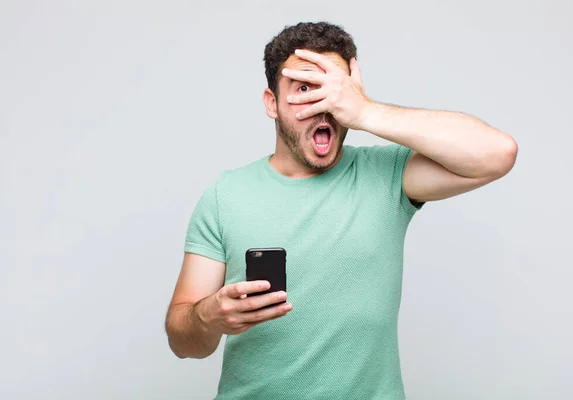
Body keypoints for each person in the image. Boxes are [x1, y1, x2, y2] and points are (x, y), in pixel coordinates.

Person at [164, 21, 518, 400]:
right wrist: (209, 316)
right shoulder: (225, 195)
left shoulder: (386, 176)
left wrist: (365, 112)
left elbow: (497, 154)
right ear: (273, 104)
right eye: (304, 89)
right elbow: (184, 341)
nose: (323, 106)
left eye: (334, 90)